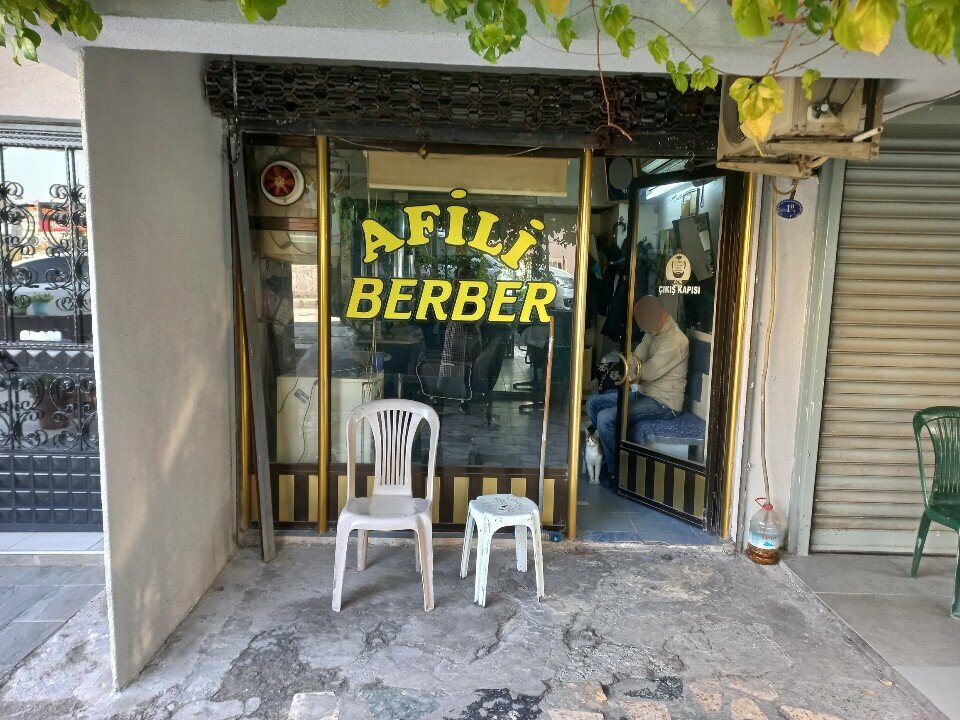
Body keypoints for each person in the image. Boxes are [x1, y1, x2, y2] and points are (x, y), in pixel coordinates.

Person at [586, 295, 689, 482]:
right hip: (644, 394)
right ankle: (610, 450)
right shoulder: (653, 332)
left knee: (605, 418)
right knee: (593, 403)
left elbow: (646, 373)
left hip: (664, 404)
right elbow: (634, 362)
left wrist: (637, 376)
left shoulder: (676, 341)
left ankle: (616, 472)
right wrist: (636, 376)